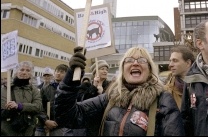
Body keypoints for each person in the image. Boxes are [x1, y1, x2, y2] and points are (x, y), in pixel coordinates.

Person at [54, 46, 185, 136]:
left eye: (142, 60)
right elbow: (67, 116)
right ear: (123, 69)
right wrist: (71, 77)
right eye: (129, 60)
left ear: (150, 70)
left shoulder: (163, 100)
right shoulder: (109, 98)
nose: (135, 63)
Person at [1, 61, 42, 136]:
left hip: (27, 130)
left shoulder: (34, 90)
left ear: (31, 74)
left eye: (28, 70)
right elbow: (3, 107)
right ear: (16, 72)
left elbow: (38, 106)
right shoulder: (5, 89)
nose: (24, 72)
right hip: (7, 131)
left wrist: (19, 106)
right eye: (22, 70)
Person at [35, 64, 72, 136]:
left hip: (58, 126)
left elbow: (68, 110)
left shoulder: (68, 90)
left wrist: (55, 123)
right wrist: (45, 121)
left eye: (62, 72)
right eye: (57, 71)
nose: (58, 73)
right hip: (42, 125)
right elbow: (39, 106)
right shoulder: (45, 88)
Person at [164, 45, 195, 109]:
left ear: (188, 63)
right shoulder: (166, 91)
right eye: (170, 61)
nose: (170, 65)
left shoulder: (203, 86)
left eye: (175, 61)